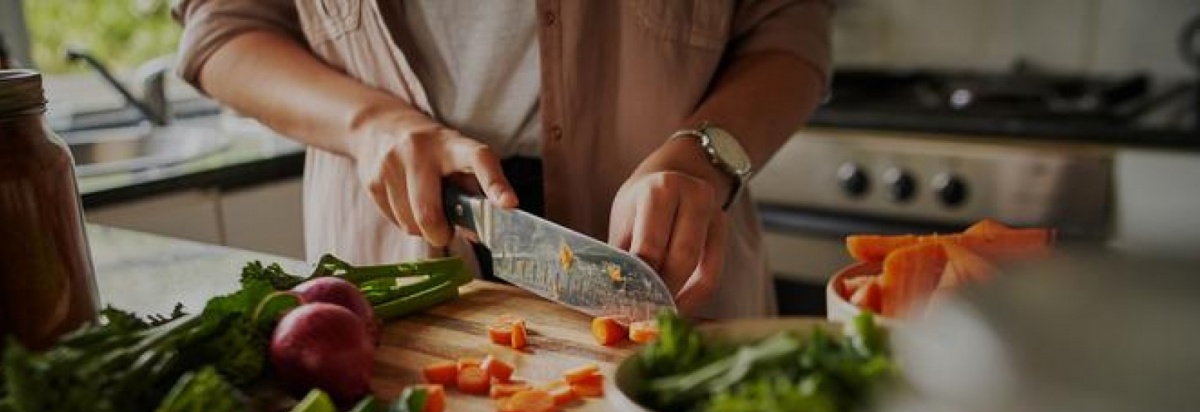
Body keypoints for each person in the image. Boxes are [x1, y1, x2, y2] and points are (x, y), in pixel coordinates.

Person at [171, 1, 831, 318]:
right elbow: (223, 28)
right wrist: (370, 124)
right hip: (400, 258)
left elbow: (791, 32)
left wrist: (705, 154)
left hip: (674, 266)